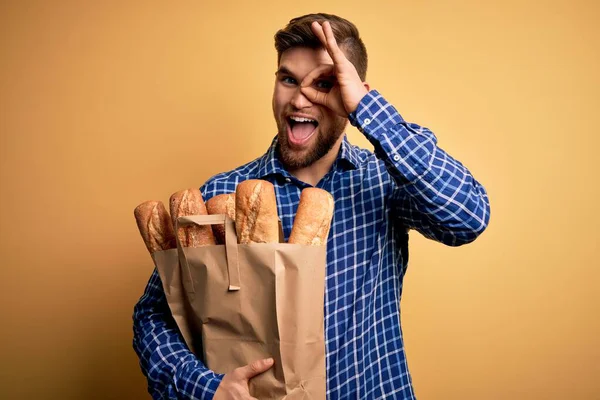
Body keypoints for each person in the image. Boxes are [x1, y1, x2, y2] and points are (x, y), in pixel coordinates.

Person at [133, 13, 490, 400]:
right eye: (288, 79)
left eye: (323, 83)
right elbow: (155, 315)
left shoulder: (383, 181)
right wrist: (206, 389)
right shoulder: (222, 194)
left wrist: (368, 110)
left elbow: (467, 216)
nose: (300, 98)